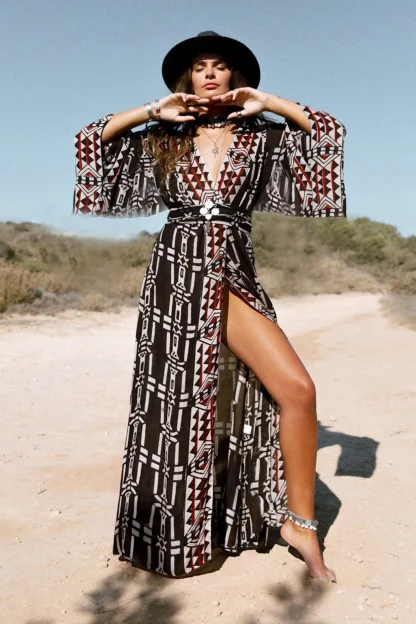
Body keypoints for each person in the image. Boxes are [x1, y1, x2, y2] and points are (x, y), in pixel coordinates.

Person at [73, 31, 347, 582]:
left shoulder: (262, 136)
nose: (210, 74)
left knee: (297, 389)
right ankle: (167, 533)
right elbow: (89, 141)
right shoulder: (162, 136)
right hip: (177, 274)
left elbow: (327, 132)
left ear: (234, 77)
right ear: (188, 79)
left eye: (220, 66)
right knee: (178, 405)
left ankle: (299, 524)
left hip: (233, 269)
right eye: (200, 67)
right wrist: (154, 110)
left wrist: (269, 102)